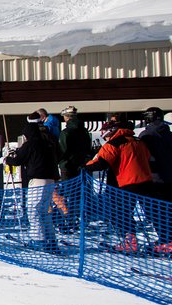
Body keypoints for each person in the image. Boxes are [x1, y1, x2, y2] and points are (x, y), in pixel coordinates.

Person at [84, 119, 162, 252]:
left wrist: (85, 166)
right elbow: (148, 157)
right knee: (154, 213)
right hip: (146, 181)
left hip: (126, 183)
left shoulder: (113, 144)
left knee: (121, 213)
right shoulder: (138, 141)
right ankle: (167, 240)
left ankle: (130, 242)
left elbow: (101, 163)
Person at [4, 112, 60, 253]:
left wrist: (7, 159)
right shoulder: (48, 142)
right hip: (51, 179)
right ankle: (51, 240)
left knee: (34, 211)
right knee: (43, 211)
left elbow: (18, 160)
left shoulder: (31, 144)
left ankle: (39, 240)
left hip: (38, 180)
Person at [140, 106, 172, 202]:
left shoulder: (145, 135)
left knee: (154, 212)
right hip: (169, 178)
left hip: (153, 179)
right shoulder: (169, 135)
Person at [58, 106, 92, 181]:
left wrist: (62, 163)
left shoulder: (65, 133)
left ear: (67, 117)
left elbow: (62, 151)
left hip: (68, 168)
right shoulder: (85, 132)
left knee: (69, 191)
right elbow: (88, 148)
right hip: (83, 166)